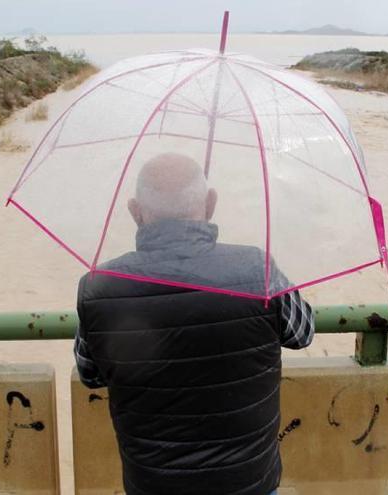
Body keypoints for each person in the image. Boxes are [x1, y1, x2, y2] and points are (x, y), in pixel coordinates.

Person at [74, 152, 315, 495]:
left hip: (154, 486)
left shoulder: (98, 287)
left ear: (134, 211)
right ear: (211, 203)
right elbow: (302, 332)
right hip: (249, 485)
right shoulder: (257, 271)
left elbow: (91, 374)